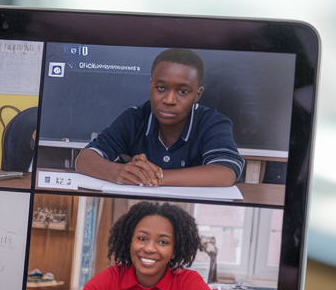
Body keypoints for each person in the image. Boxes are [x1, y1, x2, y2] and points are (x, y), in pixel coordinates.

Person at [56, 201, 240, 290]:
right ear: (129, 241)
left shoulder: (188, 282)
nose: (150, 248)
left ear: (175, 251)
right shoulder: (112, 277)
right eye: (142, 239)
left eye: (163, 242)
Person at [74, 48, 244, 188]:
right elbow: (85, 159)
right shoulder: (134, 118)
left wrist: (154, 176)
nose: (169, 100)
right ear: (151, 85)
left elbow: (225, 173)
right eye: (161, 88)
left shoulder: (213, 123)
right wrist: (120, 173)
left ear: (197, 95)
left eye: (183, 91)